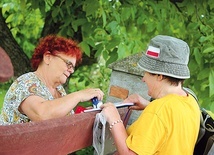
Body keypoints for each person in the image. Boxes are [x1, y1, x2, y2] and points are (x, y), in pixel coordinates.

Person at [100, 35, 201, 154]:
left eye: (147, 73)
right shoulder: (190, 101)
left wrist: (114, 119)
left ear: (160, 75)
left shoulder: (159, 110)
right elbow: (172, 122)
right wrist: (148, 106)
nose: (143, 79)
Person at [0, 35, 104, 125]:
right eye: (68, 64)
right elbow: (42, 115)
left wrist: (85, 115)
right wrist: (79, 95)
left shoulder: (59, 90)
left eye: (73, 67)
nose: (71, 70)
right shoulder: (26, 83)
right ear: (48, 57)